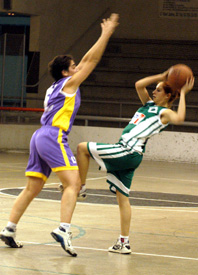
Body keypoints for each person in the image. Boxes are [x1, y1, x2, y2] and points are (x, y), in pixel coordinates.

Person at [0, 13, 119, 257]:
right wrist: (105, 34)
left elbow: (86, 59)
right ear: (66, 72)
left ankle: (9, 229)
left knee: (32, 187)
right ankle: (64, 229)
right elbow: (92, 61)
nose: (78, 69)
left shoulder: (54, 86)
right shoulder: (68, 85)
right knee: (73, 184)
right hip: (53, 136)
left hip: (39, 136)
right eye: (74, 67)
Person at [76, 71, 194, 254]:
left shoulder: (165, 112)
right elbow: (139, 84)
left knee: (82, 148)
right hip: (132, 156)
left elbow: (180, 118)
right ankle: (124, 242)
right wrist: (161, 76)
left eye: (158, 90)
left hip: (127, 150)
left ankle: (80, 188)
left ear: (168, 95)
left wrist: (184, 93)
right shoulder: (148, 105)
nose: (154, 92)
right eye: (154, 90)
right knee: (123, 198)